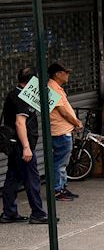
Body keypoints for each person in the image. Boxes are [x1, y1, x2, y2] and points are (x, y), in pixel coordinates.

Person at [2, 67, 50, 224]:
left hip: (15, 145)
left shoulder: (13, 94)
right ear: (31, 81)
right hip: (21, 146)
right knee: (32, 179)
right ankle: (37, 213)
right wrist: (26, 147)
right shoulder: (22, 98)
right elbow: (20, 123)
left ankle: (9, 213)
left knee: (12, 178)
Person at [47, 62, 84, 199]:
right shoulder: (52, 89)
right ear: (58, 74)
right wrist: (76, 122)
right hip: (60, 132)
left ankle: (62, 187)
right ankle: (57, 189)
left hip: (64, 131)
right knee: (60, 162)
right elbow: (63, 112)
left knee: (63, 162)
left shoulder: (57, 88)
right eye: (66, 72)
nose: (68, 75)